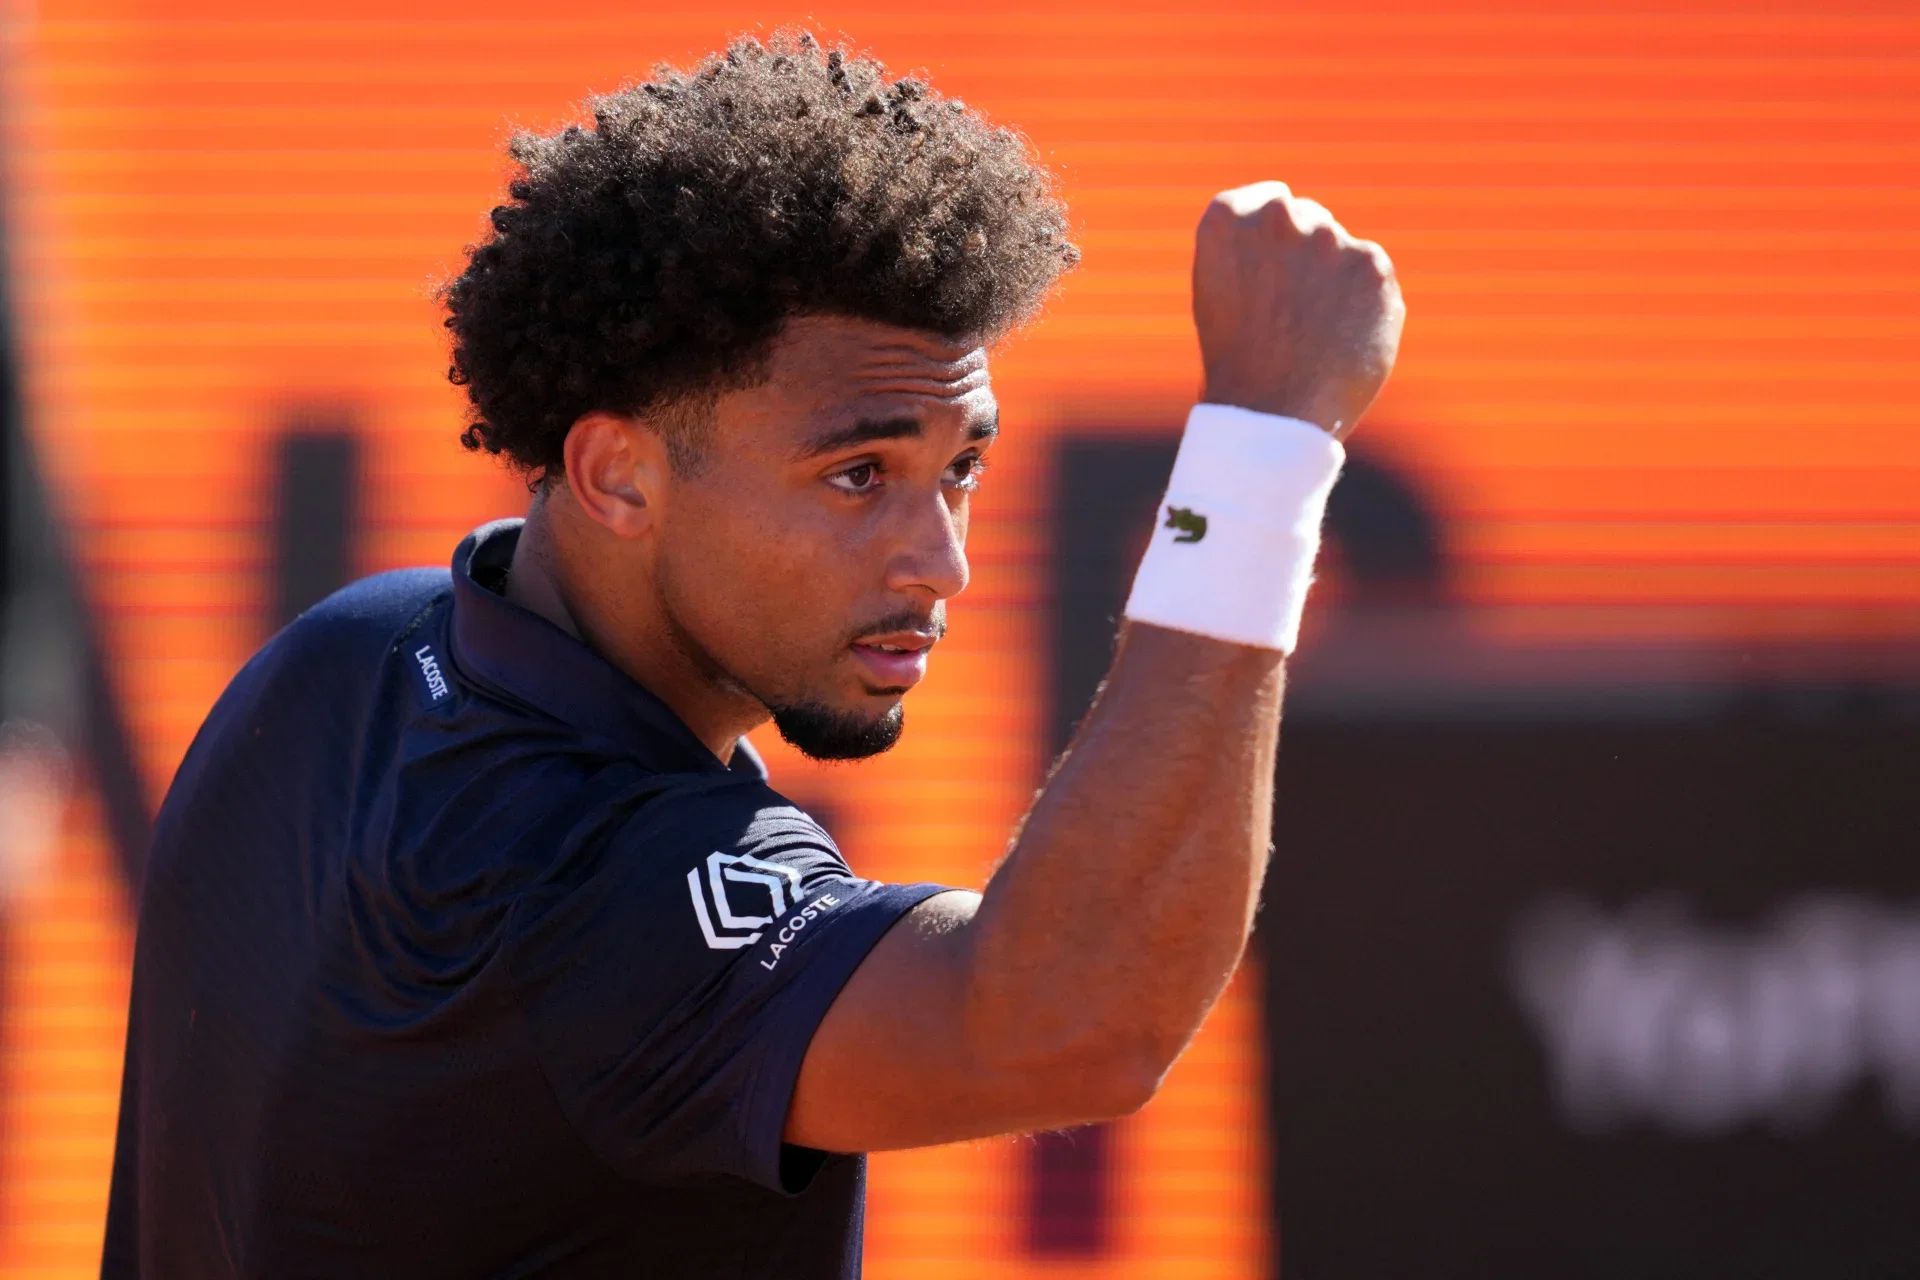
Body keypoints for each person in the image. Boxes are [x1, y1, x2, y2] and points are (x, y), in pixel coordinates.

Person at [100, 31, 1402, 1280]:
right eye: (856, 475)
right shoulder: (600, 879)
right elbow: (1071, 1020)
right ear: (618, 475)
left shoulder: (344, 653)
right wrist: (1265, 444)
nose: (939, 561)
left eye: (959, 472)